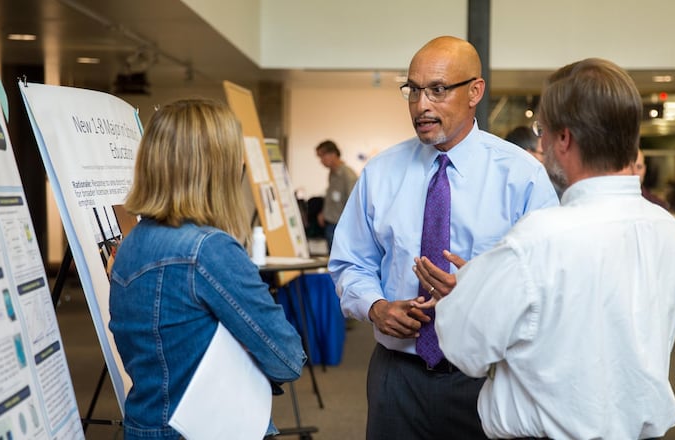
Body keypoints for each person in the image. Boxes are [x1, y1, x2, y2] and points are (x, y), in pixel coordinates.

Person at [415, 58, 675, 438]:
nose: (540, 143)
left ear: (564, 139)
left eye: (541, 131)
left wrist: (469, 292)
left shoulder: (539, 240)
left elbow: (466, 350)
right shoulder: (666, 229)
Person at [328, 36, 558, 439]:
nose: (421, 105)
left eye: (437, 90)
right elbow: (351, 262)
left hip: (486, 377)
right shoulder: (380, 174)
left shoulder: (521, 177)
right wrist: (376, 306)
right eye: (412, 90)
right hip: (395, 379)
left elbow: (549, 283)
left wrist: (477, 291)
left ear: (475, 92)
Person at [109, 99, 306, 440]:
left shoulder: (132, 243)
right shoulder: (208, 249)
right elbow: (287, 357)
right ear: (218, 167)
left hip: (145, 424)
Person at [315, 140, 357, 252]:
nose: (321, 161)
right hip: (330, 224)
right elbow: (331, 197)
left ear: (333, 154)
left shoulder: (348, 175)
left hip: (341, 227)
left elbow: (354, 204)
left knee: (339, 261)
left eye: (323, 156)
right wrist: (324, 213)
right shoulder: (332, 174)